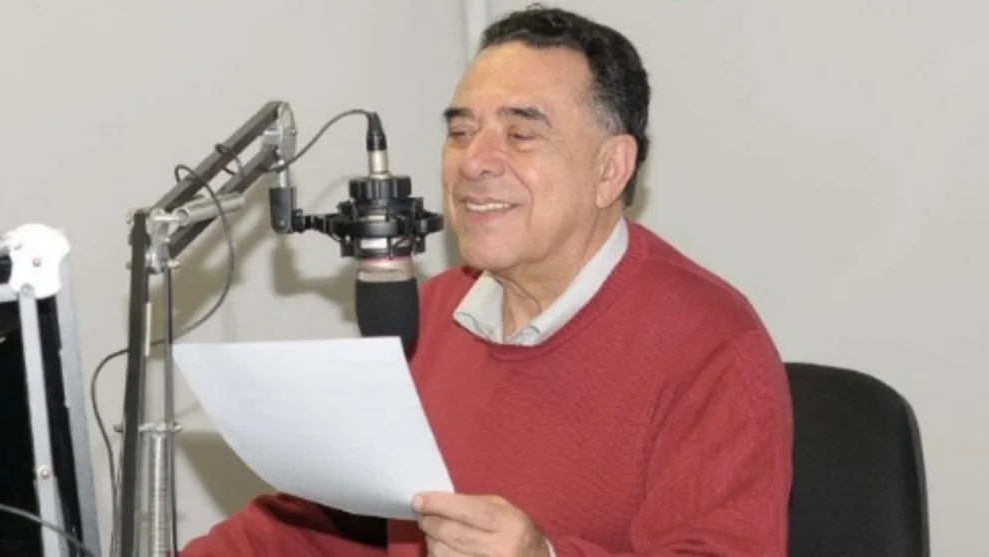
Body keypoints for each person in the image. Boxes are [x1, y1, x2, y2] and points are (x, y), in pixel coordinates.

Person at [180, 4, 793, 556]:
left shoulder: (712, 345)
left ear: (611, 169)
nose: (473, 162)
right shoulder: (426, 312)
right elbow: (316, 523)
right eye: (460, 132)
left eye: (520, 134)